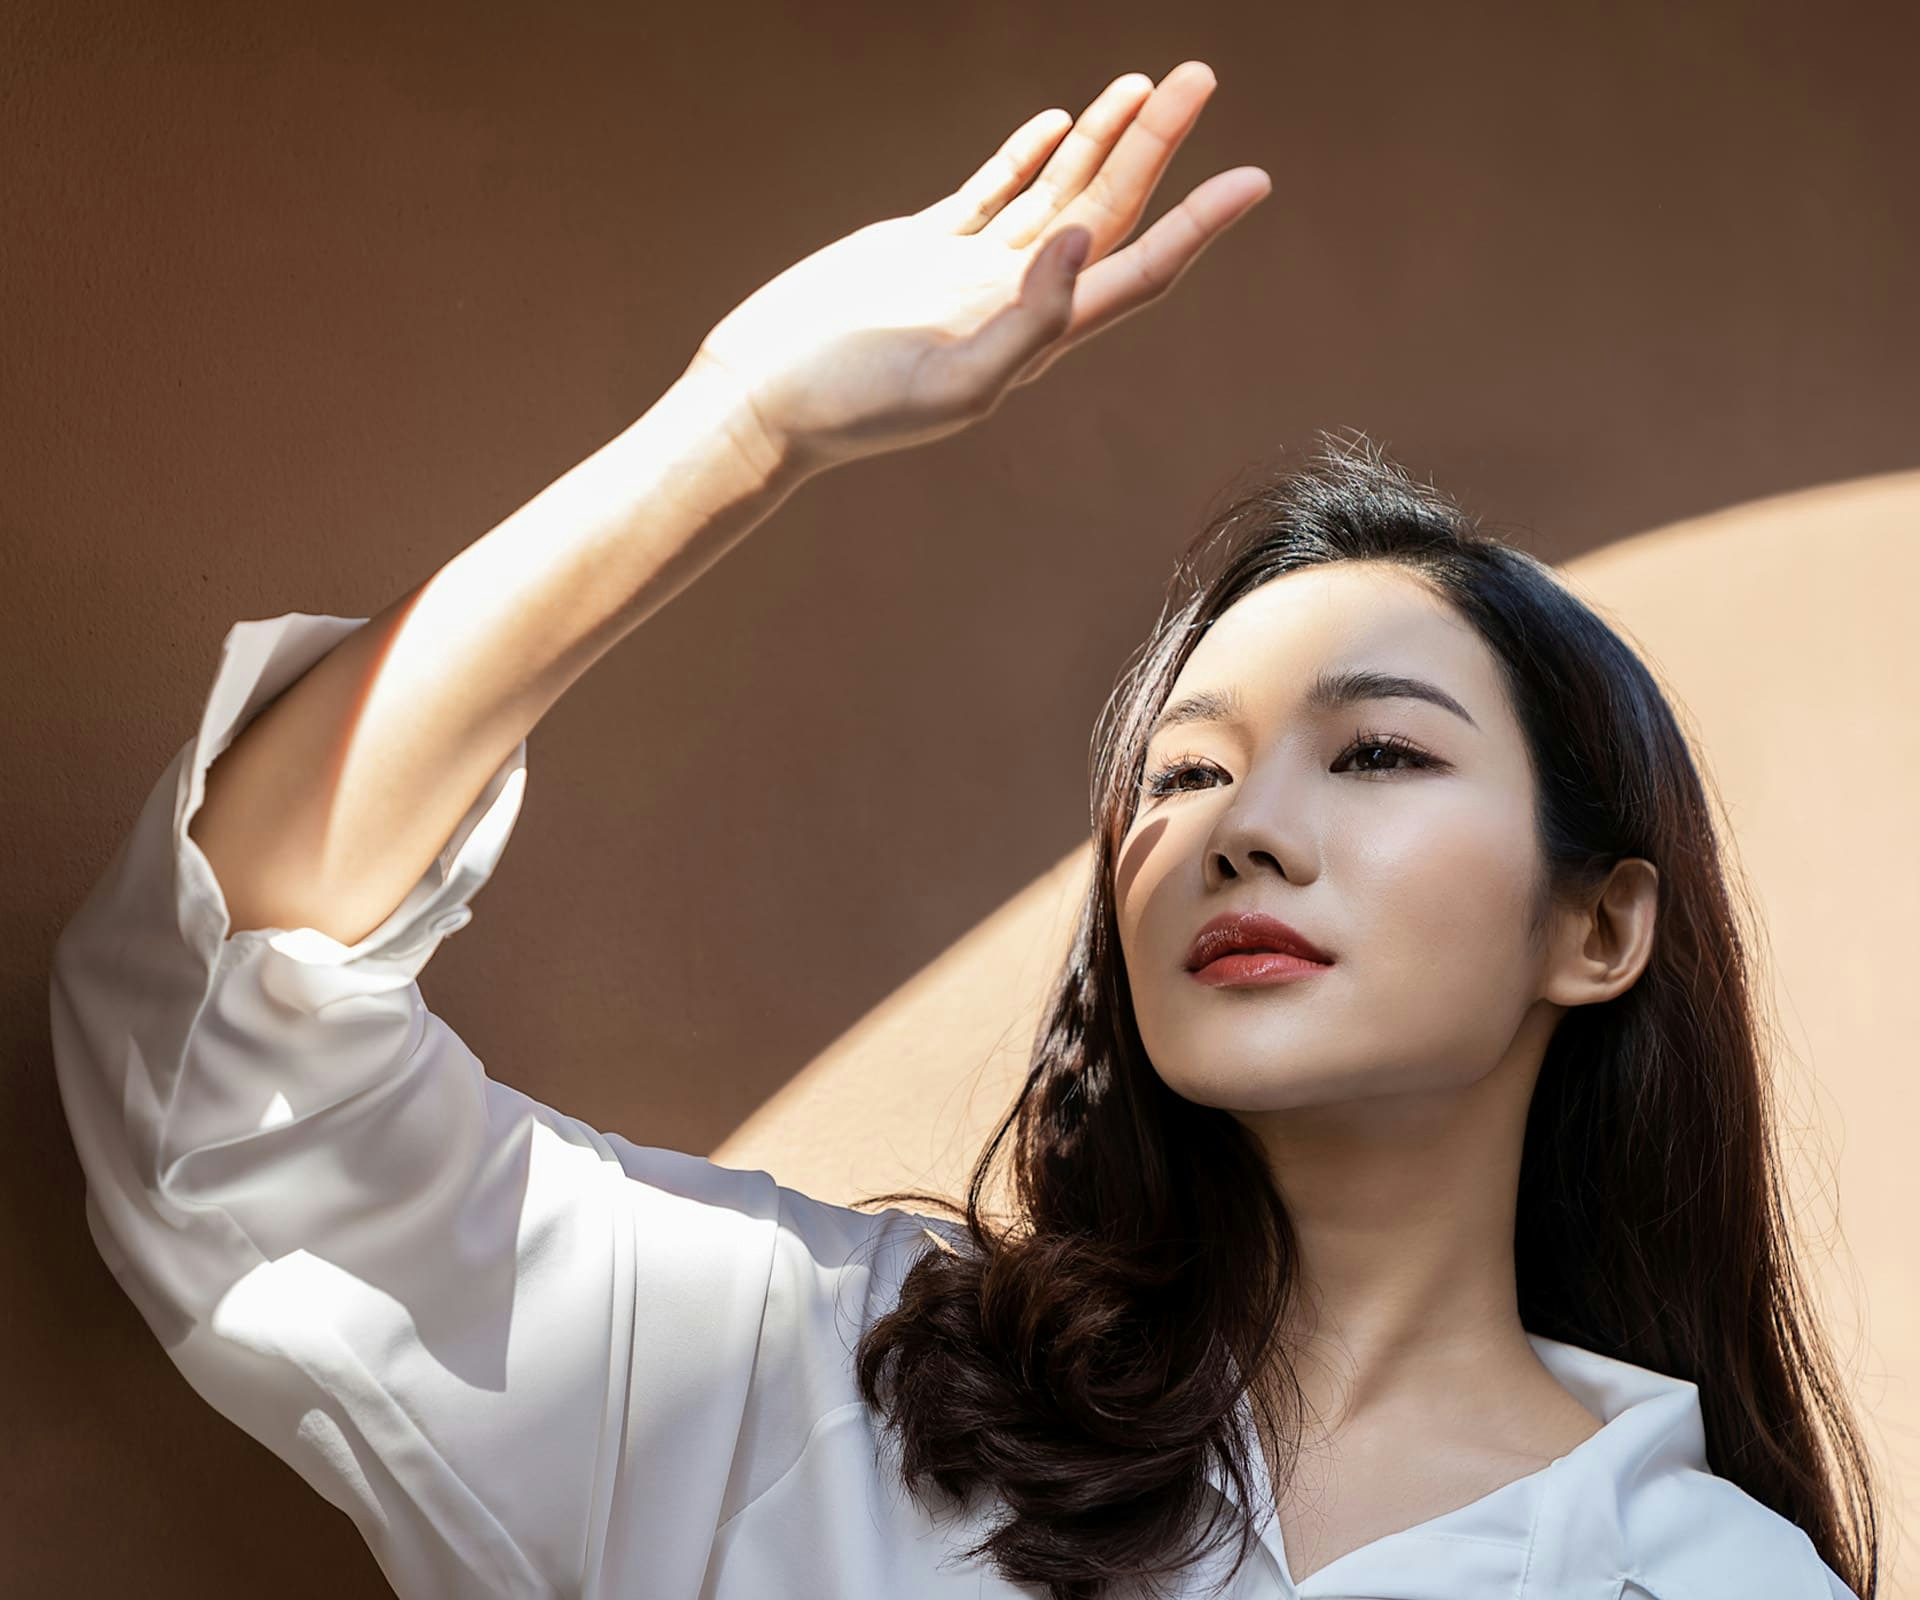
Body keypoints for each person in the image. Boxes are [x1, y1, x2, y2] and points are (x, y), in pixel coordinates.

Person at [46, 57, 1876, 1600]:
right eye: (1181, 771)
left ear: (1601, 927)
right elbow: (230, 1072)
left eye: (1378, 756)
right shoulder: (817, 1390)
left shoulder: (1709, 1577)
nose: (1242, 829)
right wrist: (737, 428)